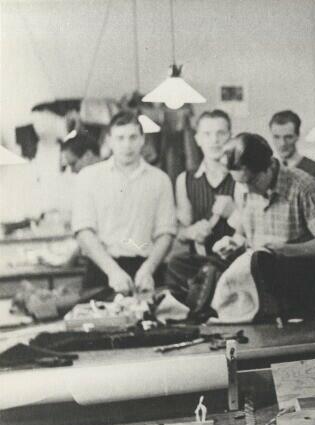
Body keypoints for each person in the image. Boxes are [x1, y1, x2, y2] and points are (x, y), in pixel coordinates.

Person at [214, 132, 315, 311]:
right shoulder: (243, 187)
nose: (247, 190)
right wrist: (234, 243)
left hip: (296, 279)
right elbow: (243, 233)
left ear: (269, 166)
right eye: (240, 183)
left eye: (252, 181)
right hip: (256, 276)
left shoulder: (306, 188)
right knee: (192, 265)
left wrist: (287, 250)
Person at [72, 111, 176, 294]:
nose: (127, 145)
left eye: (133, 137)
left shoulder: (160, 179)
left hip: (147, 272)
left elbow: (166, 233)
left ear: (142, 140)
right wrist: (112, 271)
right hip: (102, 270)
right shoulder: (88, 177)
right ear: (109, 141)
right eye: (120, 138)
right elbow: (83, 232)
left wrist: (148, 269)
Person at [165, 109, 239, 302]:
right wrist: (191, 232)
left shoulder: (241, 176)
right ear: (197, 139)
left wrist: (234, 213)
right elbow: (180, 230)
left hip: (237, 263)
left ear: (230, 137)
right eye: (207, 134)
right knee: (175, 264)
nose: (214, 140)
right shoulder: (185, 179)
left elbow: (258, 229)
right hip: (200, 266)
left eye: (221, 133)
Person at [269, 110, 315, 197]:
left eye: (288, 137)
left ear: (297, 136)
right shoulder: (268, 171)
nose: (282, 143)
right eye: (276, 137)